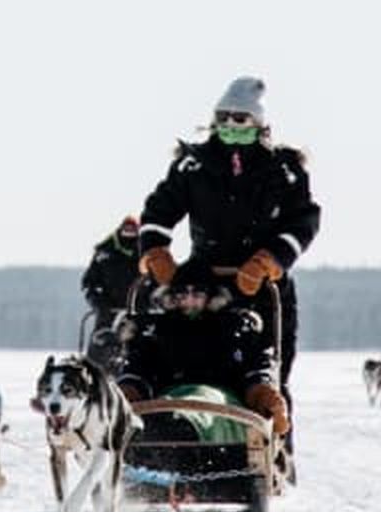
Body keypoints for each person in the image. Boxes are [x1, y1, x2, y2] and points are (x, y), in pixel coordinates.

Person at [136, 76, 320, 446]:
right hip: (202, 284)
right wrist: (156, 253)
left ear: (259, 124)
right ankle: (166, 440)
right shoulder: (194, 165)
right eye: (224, 117)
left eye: (240, 119)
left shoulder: (283, 170)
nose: (231, 126)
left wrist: (270, 259)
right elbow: (158, 211)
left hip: (263, 286)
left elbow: (304, 219)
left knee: (269, 373)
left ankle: (275, 453)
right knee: (177, 360)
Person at [117, 260, 290, 435]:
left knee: (201, 409)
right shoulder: (156, 331)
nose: (189, 300)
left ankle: (183, 428)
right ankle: (167, 428)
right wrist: (128, 392)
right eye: (182, 294)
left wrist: (263, 395)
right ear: (171, 297)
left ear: (211, 297)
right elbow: (139, 370)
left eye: (197, 294)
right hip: (166, 399)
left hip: (222, 402)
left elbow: (255, 369)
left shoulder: (233, 328)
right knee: (159, 411)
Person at [81, 216, 141, 369]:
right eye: (126, 229)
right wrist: (99, 304)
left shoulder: (148, 254)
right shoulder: (104, 253)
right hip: (107, 314)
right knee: (98, 356)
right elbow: (89, 283)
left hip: (140, 314)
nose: (129, 233)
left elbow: (157, 282)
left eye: (133, 229)